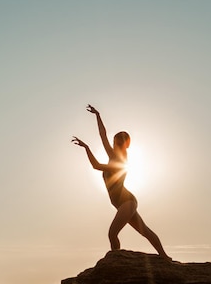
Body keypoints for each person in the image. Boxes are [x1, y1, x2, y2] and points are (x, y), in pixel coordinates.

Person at [72, 105, 171, 259]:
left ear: (123, 144)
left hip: (127, 202)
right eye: (114, 141)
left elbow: (96, 166)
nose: (112, 144)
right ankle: (164, 256)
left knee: (112, 233)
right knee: (144, 230)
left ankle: (116, 259)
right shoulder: (113, 156)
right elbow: (102, 135)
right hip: (122, 203)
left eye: (117, 142)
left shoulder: (120, 160)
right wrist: (97, 115)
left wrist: (87, 147)